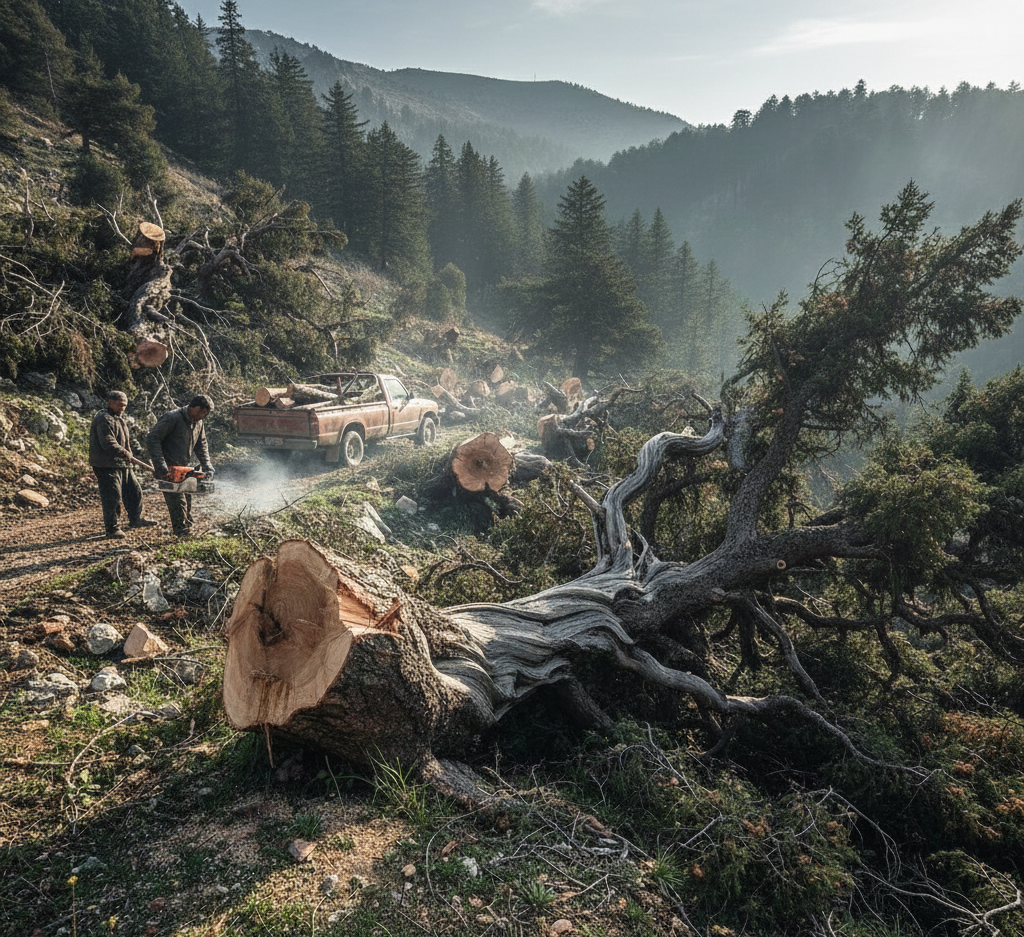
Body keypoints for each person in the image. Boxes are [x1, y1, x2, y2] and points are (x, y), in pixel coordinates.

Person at [88, 391, 159, 539]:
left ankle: (136, 519)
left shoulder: (120, 420)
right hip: (106, 464)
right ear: (110, 402)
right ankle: (112, 529)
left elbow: (127, 443)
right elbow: (108, 442)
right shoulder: (103, 418)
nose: (122, 408)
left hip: (123, 464)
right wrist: (125, 453)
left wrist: (133, 453)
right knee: (112, 496)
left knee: (134, 491)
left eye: (124, 406)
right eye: (119, 405)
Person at [147, 394, 215, 538]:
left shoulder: (198, 423)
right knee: (177, 502)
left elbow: (201, 445)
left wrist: (207, 465)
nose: (203, 417)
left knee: (187, 498)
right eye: (203, 413)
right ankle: (181, 532)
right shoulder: (172, 418)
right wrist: (160, 464)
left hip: (185, 468)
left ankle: (187, 526)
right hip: (168, 469)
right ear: (196, 408)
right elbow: (153, 439)